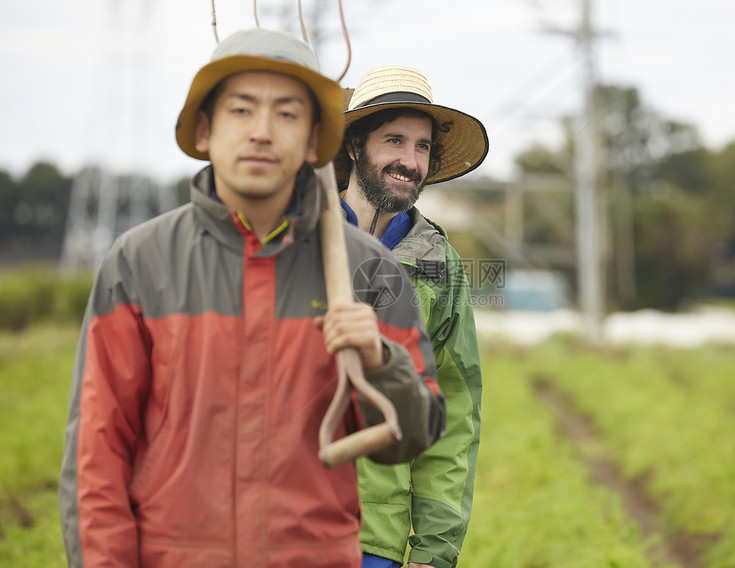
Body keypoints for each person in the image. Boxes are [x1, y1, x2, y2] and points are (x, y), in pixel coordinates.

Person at [58, 30, 445, 568]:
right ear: (204, 131)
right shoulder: (139, 264)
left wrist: (381, 363)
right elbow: (97, 453)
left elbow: (414, 434)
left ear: (314, 144)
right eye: (241, 110)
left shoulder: (372, 271)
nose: (262, 132)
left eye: (287, 114)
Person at [334, 66, 488, 568]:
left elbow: (455, 414)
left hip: (376, 538)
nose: (409, 160)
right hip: (284, 524)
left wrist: (434, 548)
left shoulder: (439, 266)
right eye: (395, 140)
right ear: (354, 146)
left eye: (422, 146)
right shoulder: (295, 239)